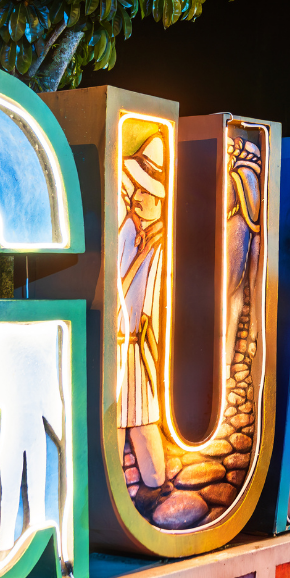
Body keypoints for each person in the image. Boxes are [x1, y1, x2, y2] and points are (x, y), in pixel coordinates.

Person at [117, 134, 167, 502]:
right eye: (135, 189)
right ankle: (116, 497)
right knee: (117, 426)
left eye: (144, 191)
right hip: (120, 348)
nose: (136, 197)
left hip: (140, 351)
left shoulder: (163, 246)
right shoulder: (130, 233)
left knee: (143, 425)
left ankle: (151, 494)